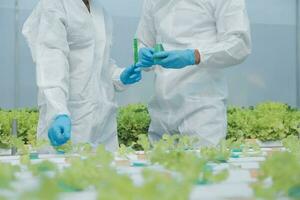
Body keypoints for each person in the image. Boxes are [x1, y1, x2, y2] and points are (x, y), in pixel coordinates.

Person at [22, 0, 142, 152]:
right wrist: (58, 112)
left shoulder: (101, 12)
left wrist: (120, 76)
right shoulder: (54, 5)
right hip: (70, 120)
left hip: (103, 125)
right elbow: (51, 63)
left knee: (105, 173)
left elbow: (100, 63)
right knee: (65, 173)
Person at [136, 0, 252, 146]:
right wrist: (142, 52)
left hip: (202, 110)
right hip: (161, 110)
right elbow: (143, 41)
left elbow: (239, 44)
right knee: (158, 168)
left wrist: (196, 56)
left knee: (202, 167)